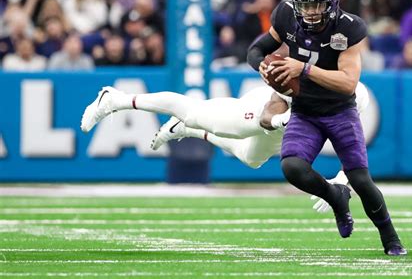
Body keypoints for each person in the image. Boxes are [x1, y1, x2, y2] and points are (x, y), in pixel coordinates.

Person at [246, 0, 406, 256]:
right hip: (305, 110)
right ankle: (335, 196)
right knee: (291, 167)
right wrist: (261, 65)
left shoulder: (349, 28)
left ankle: (390, 237)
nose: (309, 11)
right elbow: (257, 49)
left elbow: (348, 83)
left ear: (332, 4)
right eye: (305, 5)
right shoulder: (285, 16)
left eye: (316, 4)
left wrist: (303, 68)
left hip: (339, 110)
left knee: (360, 180)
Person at [81, 82, 369, 213]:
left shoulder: (356, 99)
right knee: (195, 112)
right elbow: (273, 105)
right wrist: (280, 118)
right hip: (265, 113)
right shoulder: (309, 72)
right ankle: (116, 99)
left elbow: (353, 147)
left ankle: (185, 130)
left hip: (290, 127)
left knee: (250, 159)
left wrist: (341, 182)